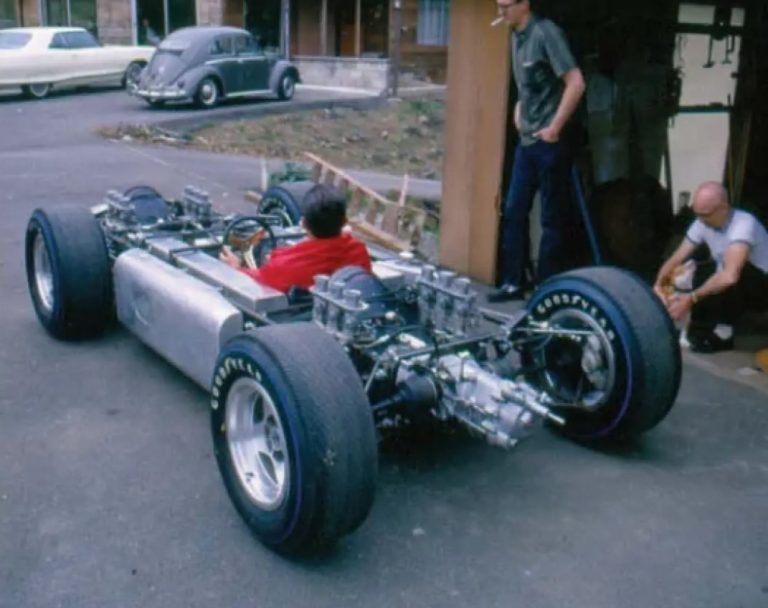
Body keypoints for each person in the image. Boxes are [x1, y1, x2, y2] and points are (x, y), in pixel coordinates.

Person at [489, 0, 586, 302]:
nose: (500, 12)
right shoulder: (515, 36)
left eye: (506, 6)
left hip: (549, 141)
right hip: (527, 141)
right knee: (514, 210)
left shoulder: (546, 33)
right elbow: (527, 84)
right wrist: (519, 109)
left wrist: (555, 127)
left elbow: (576, 83)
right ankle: (513, 282)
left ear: (524, 5)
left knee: (551, 220)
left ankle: (545, 289)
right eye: (497, 5)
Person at [653, 181, 768, 353]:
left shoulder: (744, 225)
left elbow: (730, 276)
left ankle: (724, 332)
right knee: (693, 267)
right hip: (730, 278)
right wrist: (659, 285)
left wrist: (691, 298)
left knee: (730, 273)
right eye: (697, 214)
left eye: (705, 215)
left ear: (724, 208)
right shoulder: (702, 222)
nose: (701, 220)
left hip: (760, 285)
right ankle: (694, 326)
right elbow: (677, 257)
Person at [220, 184, 372, 293]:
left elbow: (257, 280)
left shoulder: (283, 266)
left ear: (303, 223)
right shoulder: (359, 252)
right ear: (345, 222)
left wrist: (236, 268)